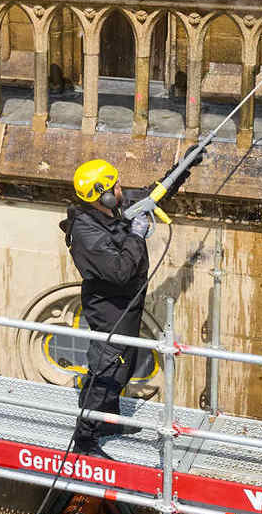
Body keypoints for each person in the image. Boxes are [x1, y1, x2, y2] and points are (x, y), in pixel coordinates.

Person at [59, 149, 203, 459]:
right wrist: (136, 236)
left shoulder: (113, 206)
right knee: (106, 367)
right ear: (104, 196)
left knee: (125, 363)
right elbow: (120, 272)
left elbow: (153, 195)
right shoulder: (86, 234)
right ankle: (84, 439)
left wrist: (184, 167)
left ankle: (107, 421)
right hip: (110, 307)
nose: (122, 190)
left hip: (128, 302)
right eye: (116, 187)